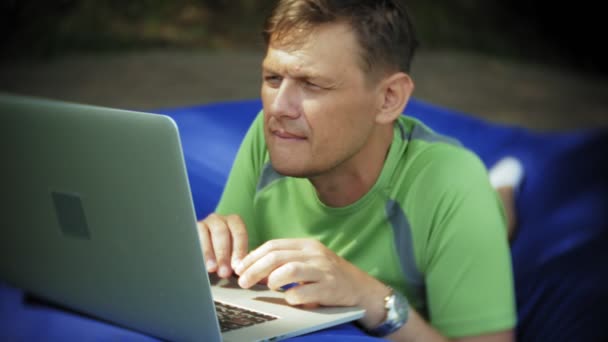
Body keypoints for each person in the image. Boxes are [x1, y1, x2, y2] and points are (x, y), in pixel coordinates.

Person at [197, 0, 523, 340]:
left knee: (497, 216)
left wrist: (369, 296)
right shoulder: (274, 135)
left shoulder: (453, 183)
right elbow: (226, 274)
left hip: (461, 197)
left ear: (388, 99)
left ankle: (503, 189)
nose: (278, 107)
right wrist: (208, 247)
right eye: (273, 78)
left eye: (312, 84)